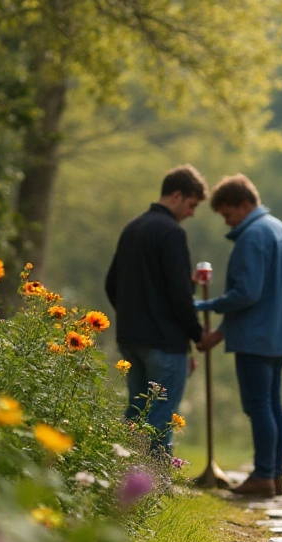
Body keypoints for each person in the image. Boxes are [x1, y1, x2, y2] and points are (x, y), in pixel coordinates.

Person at [197, 174, 282, 497]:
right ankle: (276, 474)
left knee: (258, 405)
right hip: (279, 333)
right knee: (272, 404)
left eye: (228, 214)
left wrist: (206, 304)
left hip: (255, 337)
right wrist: (223, 332)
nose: (227, 222)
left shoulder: (253, 236)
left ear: (245, 204)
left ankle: (263, 475)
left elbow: (247, 293)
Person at [105, 165, 211, 454]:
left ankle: (122, 477)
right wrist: (197, 333)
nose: (192, 213)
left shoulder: (132, 228)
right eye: (191, 205)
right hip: (165, 343)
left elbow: (111, 284)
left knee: (135, 413)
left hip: (131, 340)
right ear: (176, 196)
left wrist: (132, 316)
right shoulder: (171, 233)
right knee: (160, 417)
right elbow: (178, 295)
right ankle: (154, 485)